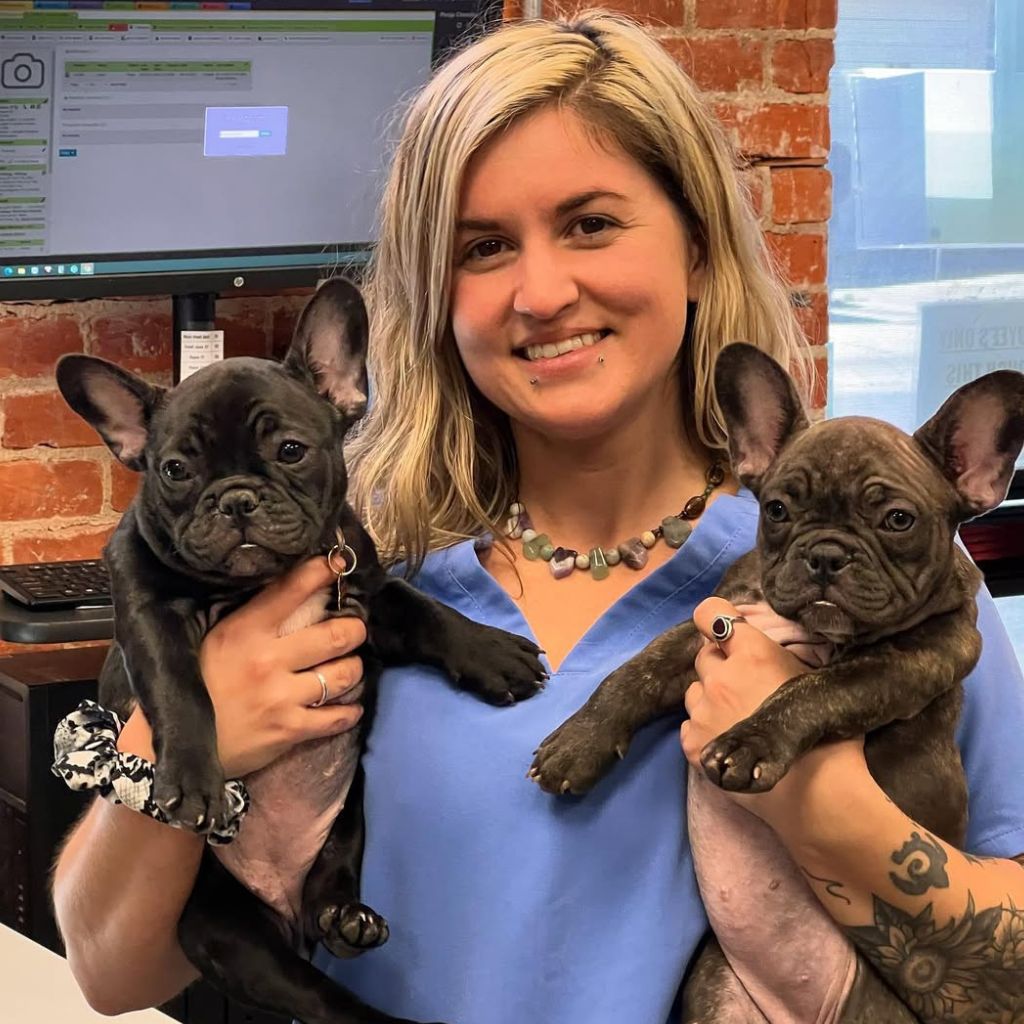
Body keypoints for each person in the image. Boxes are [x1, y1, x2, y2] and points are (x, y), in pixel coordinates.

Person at [52, 11, 1024, 1024]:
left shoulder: (867, 584)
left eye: (591, 223)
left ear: (694, 246)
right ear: (437, 293)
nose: (542, 291)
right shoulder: (366, 569)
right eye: (483, 247)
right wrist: (183, 732)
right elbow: (110, 972)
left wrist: (833, 817)